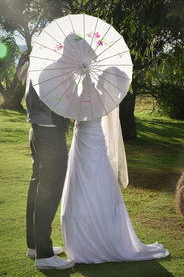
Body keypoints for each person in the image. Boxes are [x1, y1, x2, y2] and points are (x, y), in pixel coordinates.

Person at [61, 107, 169, 263]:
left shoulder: (101, 96)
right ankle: (82, 239)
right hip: (80, 140)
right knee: (80, 183)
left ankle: (96, 235)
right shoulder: (83, 93)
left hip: (93, 139)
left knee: (96, 183)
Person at [25, 79, 74, 269]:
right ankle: (44, 255)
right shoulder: (52, 69)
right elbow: (57, 101)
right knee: (49, 192)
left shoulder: (37, 64)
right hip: (51, 134)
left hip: (37, 130)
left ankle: (35, 246)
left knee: (37, 187)